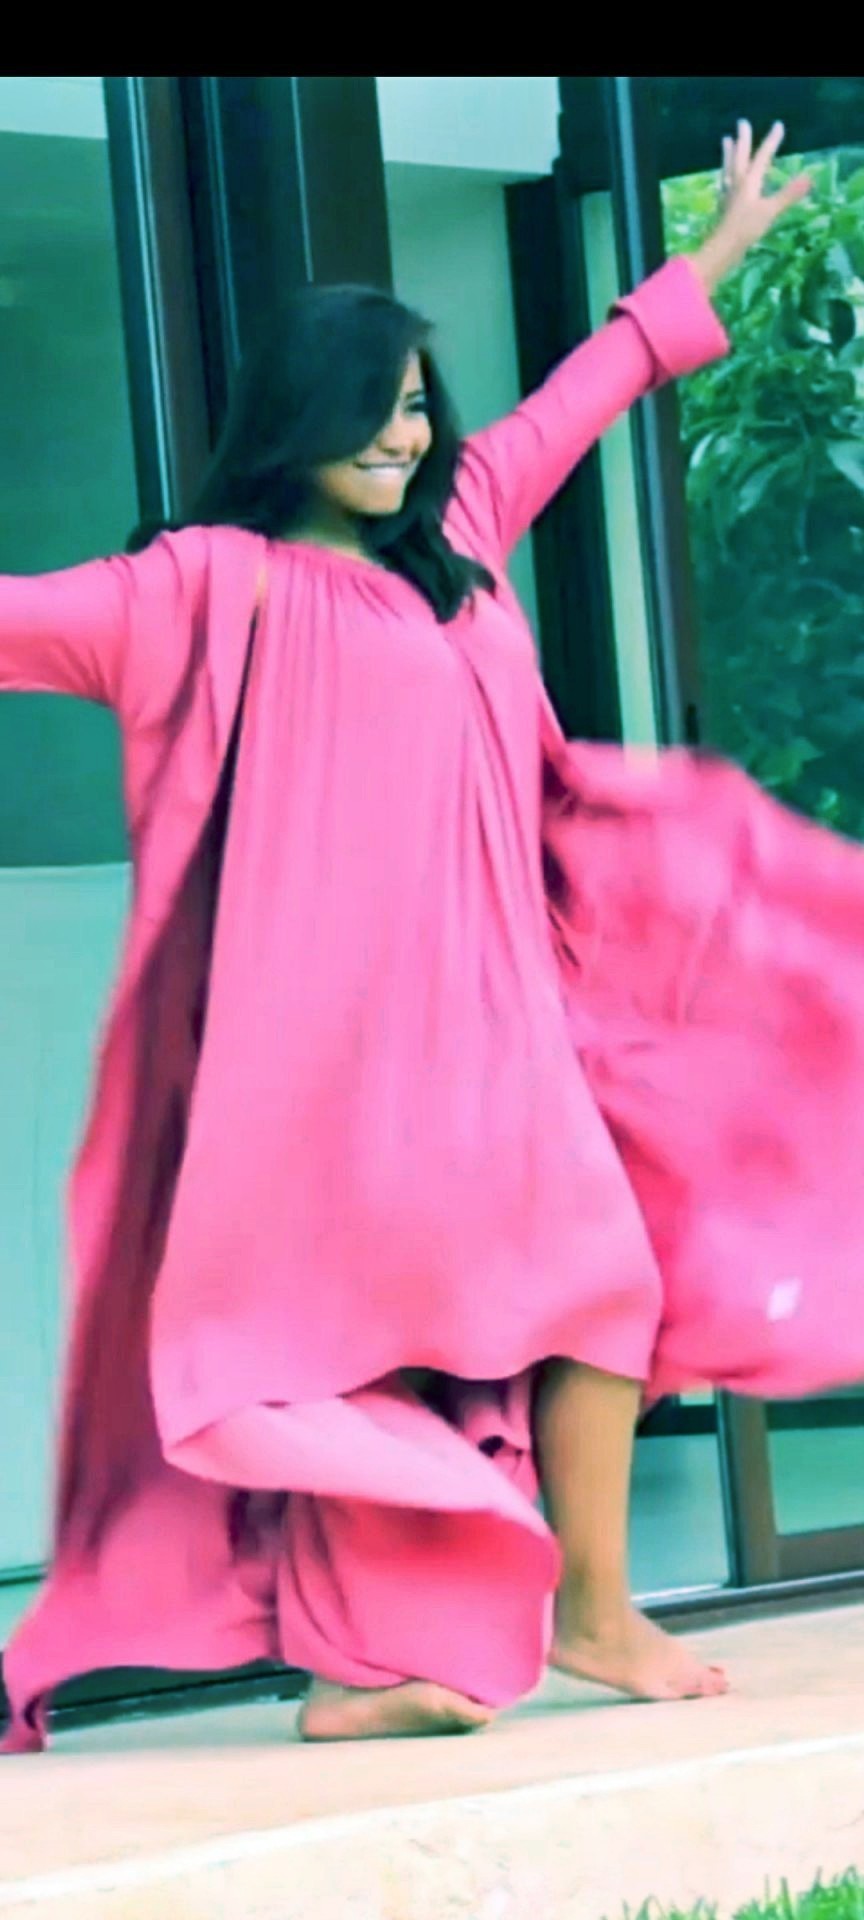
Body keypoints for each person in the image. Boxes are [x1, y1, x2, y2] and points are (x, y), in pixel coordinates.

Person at [4, 117, 857, 1754]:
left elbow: (582, 397)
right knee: (360, 1354)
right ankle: (410, 1654)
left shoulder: (459, 535)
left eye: (415, 407)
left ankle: (535, 1626)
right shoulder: (203, 587)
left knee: (596, 1294)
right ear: (297, 419)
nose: (404, 437)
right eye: (375, 409)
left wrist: (718, 249)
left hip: (500, 1033)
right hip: (328, 1068)